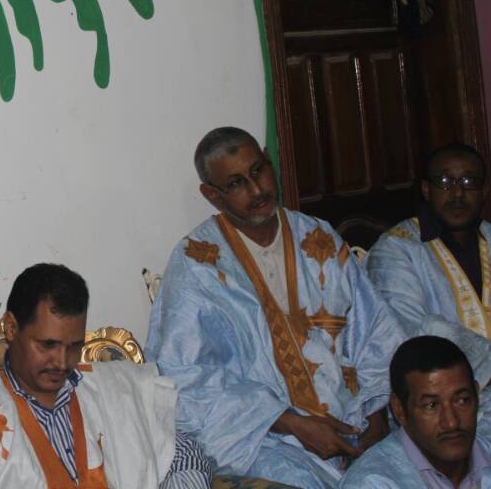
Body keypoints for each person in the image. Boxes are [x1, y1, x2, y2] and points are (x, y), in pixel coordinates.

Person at [145, 127, 406, 488]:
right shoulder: (196, 264)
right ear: (212, 195)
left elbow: (376, 332)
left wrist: (376, 418)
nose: (257, 190)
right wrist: (291, 423)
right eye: (236, 183)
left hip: (357, 420)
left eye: (258, 170)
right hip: (266, 441)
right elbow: (181, 378)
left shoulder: (319, 238)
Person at [0, 263, 214, 489]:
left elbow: (185, 456)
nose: (62, 362)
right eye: (48, 345)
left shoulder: (114, 387)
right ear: (11, 328)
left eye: (74, 346)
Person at [367, 143, 491, 439]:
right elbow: (414, 333)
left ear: (484, 191)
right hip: (440, 405)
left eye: (468, 181)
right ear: (426, 189)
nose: (457, 193)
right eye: (445, 181)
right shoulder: (396, 250)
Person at [340, 335, 491, 488]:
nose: (451, 422)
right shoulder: (371, 483)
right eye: (431, 405)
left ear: (476, 396)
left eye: (462, 400)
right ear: (399, 410)